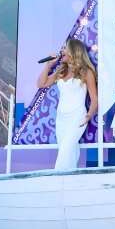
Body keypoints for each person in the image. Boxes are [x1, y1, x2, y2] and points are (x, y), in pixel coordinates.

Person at [37, 38, 98, 170]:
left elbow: (94, 99)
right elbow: (41, 84)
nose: (62, 50)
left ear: (73, 51)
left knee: (65, 151)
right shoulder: (61, 71)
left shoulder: (86, 72)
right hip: (61, 119)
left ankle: (56, 178)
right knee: (70, 153)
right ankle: (71, 179)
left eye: (65, 48)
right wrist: (48, 65)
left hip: (77, 117)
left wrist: (88, 116)